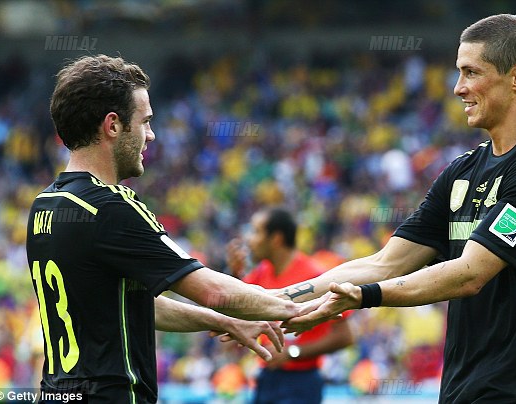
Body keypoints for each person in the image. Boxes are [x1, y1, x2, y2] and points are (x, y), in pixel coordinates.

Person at [281, 14, 516, 403]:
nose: (458, 88)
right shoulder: (462, 170)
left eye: (471, 72)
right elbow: (384, 263)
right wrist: (277, 300)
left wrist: (365, 296)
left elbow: (469, 274)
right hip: (458, 390)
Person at [26, 55, 320, 403]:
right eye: (145, 122)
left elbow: (129, 303)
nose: (150, 135)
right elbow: (214, 291)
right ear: (113, 125)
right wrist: (301, 308)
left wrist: (223, 321)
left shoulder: (45, 205)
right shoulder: (110, 206)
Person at [225, 208, 354, 404]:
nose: (250, 240)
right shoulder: (262, 273)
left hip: (302, 382)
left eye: (256, 231)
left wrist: (293, 353)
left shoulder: (316, 278)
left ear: (276, 238)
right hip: (266, 377)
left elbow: (344, 336)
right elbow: (236, 306)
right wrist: (235, 275)